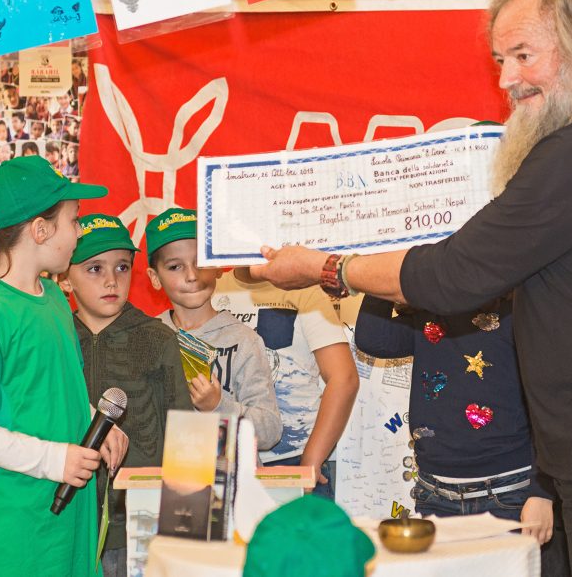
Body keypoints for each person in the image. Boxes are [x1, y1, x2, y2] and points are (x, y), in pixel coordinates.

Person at [252, 0, 572, 576]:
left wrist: (327, 267)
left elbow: (452, 277)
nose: (507, 79)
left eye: (524, 55)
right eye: (500, 60)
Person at [0, 156, 127, 577]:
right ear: (40, 230)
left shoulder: (53, 298)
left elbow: (55, 388)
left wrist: (96, 423)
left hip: (68, 513)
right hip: (13, 522)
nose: (79, 231)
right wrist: (54, 460)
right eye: (74, 220)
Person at [354, 294, 554, 546]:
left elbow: (550, 407)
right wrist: (383, 280)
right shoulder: (427, 316)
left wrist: (542, 491)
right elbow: (373, 339)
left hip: (509, 494)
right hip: (435, 494)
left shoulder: (514, 312)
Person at [64, 213, 192, 577]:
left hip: (138, 527)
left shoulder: (157, 339)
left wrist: (184, 524)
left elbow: (185, 435)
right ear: (64, 278)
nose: (111, 280)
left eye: (122, 267)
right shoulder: (55, 339)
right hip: (67, 521)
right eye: (94, 269)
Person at [213, 266, 358, 499]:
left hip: (293, 462)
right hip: (223, 464)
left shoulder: (302, 289)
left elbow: (344, 378)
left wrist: (311, 461)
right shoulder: (211, 289)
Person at [145, 208, 282, 450]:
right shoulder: (146, 339)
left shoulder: (244, 340)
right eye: (175, 266)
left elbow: (270, 430)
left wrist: (218, 406)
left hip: (229, 473)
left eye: (200, 262)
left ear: (217, 265)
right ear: (155, 277)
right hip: (165, 473)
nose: (191, 275)